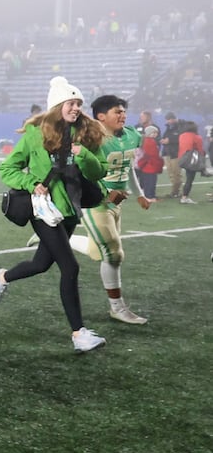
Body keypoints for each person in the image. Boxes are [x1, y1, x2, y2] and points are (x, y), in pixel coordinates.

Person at [0, 76, 109, 353]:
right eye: (71, 102)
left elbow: (98, 171)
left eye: (79, 103)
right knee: (70, 267)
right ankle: (79, 334)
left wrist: (83, 155)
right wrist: (32, 183)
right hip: (44, 211)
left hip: (70, 211)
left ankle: (2, 277)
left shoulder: (87, 134)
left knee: (41, 263)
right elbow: (7, 169)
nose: (76, 107)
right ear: (57, 106)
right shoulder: (35, 135)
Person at [82, 95, 150, 324]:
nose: (123, 115)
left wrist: (139, 194)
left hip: (118, 202)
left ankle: (54, 240)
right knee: (113, 254)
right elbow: (81, 174)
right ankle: (117, 307)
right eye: (117, 112)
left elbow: (128, 167)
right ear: (101, 117)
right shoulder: (91, 139)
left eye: (123, 111)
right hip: (95, 202)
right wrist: (104, 192)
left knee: (97, 252)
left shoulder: (130, 135)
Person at [175, 119, 206, 203]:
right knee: (189, 179)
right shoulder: (197, 137)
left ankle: (183, 196)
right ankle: (184, 197)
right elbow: (200, 151)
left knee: (187, 177)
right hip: (191, 160)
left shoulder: (182, 135)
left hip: (182, 159)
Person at [135, 124, 163, 201]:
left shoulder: (147, 141)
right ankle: (149, 196)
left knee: (149, 181)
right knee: (150, 182)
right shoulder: (149, 141)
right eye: (153, 133)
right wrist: (159, 162)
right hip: (150, 165)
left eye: (156, 133)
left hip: (148, 165)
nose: (156, 134)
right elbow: (153, 154)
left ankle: (150, 195)